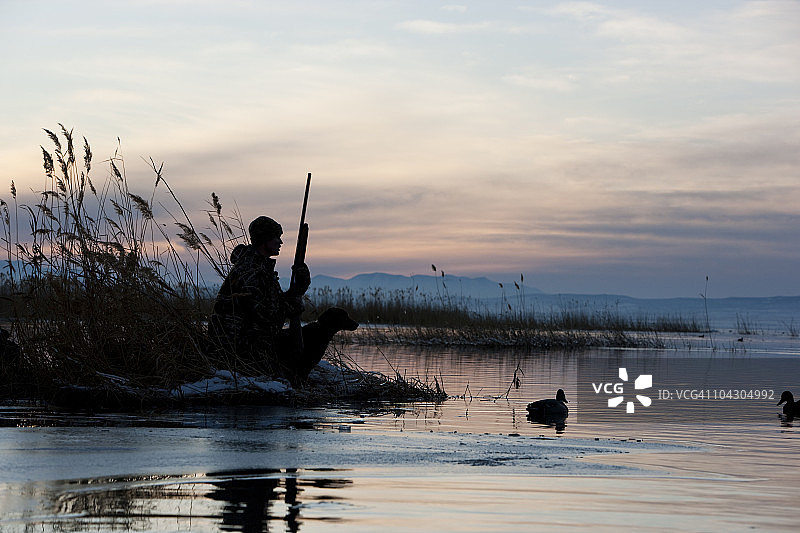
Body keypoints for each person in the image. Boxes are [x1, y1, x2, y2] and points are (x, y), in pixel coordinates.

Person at [208, 216, 358, 384]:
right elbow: (262, 313)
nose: (280, 242)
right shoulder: (251, 270)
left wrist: (299, 288)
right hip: (239, 348)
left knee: (309, 339)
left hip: (250, 341)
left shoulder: (259, 267)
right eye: (276, 237)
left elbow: (273, 303)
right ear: (264, 240)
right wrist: (291, 305)